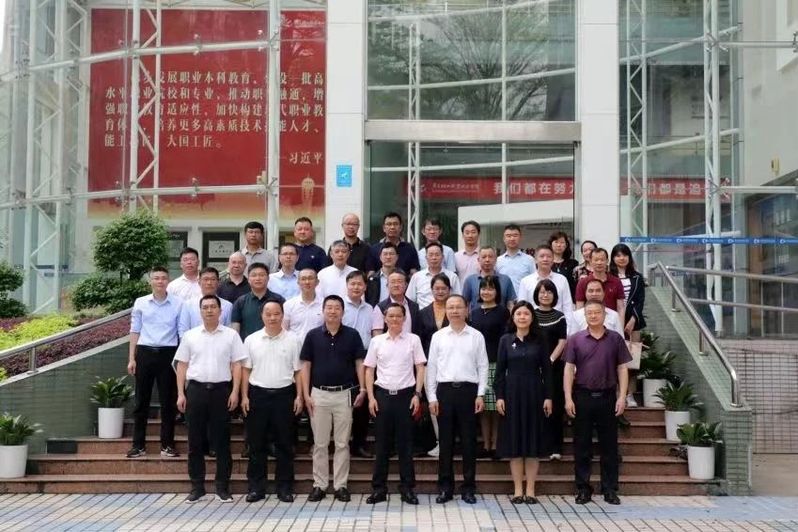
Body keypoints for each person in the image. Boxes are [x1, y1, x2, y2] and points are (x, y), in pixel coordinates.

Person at [174, 294, 247, 503]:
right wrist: (181, 393)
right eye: (205, 307)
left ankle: (222, 487)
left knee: (222, 441)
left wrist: (235, 391)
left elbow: (237, 364)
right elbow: (182, 365)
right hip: (196, 391)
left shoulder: (231, 335)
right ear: (200, 311)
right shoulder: (190, 335)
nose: (209, 310)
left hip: (221, 392)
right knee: (195, 441)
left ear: (220, 311)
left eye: (213, 307)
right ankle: (197, 487)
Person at [564, 300, 631, 505]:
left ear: (604, 315)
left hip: (608, 397)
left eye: (597, 313)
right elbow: (568, 369)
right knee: (582, 445)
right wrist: (568, 398)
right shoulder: (575, 339)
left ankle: (609, 489)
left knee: (609, 446)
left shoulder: (615, 339)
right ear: (585, 316)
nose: (593, 316)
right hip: (582, 397)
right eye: (589, 313)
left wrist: (622, 396)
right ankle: (583, 488)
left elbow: (622, 368)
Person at [300, 295, 367, 503]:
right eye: (329, 307)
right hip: (318, 394)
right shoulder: (312, 336)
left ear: (343, 312)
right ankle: (319, 485)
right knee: (320, 443)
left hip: (344, 395)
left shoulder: (352, 335)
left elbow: (359, 363)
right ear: (323, 311)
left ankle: (340, 486)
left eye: (337, 308)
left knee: (342, 443)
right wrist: (306, 394)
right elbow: (305, 365)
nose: (332, 311)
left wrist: (363, 388)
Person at [426, 295, 489, 505]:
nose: (454, 311)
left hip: (469, 392)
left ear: (466, 309)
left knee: (469, 442)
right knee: (445, 443)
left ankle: (468, 488)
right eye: (450, 307)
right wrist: (432, 397)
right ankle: (445, 488)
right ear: (446, 310)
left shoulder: (476, 336)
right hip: (445, 392)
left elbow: (483, 366)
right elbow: (431, 368)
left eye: (458, 307)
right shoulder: (438, 336)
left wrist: (481, 394)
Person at [241, 301, 304, 504]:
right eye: (268, 314)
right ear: (262, 316)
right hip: (257, 395)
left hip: (284, 395)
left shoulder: (293, 340)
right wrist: (244, 396)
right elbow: (246, 370)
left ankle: (284, 488)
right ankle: (256, 488)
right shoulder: (251, 340)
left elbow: (299, 371)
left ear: (282, 315)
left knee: (284, 443)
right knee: (256, 443)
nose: (272, 317)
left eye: (276, 313)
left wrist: (299, 396)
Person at [364, 303, 427, 505]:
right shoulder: (377, 341)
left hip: (406, 396)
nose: (394, 319)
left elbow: (420, 367)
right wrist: (371, 398)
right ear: (384, 318)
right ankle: (378, 489)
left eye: (398, 316)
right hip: (382, 396)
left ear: (404, 318)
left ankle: (407, 488)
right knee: (382, 445)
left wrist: (417, 394)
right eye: (390, 316)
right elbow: (369, 370)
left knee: (405, 445)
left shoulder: (413, 340)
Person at [494, 301, 553, 504]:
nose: (522, 317)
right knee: (515, 443)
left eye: (526, 314)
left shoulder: (540, 339)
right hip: (512, 395)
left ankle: (531, 490)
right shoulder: (505, 340)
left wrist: (548, 397)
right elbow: (499, 372)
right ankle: (518, 490)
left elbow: (547, 371)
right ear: (513, 317)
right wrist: (499, 396)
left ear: (531, 317)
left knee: (532, 443)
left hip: (535, 393)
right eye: (518, 313)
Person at [126, 266, 182, 459]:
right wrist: (132, 358)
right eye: (156, 278)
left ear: (168, 280)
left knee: (168, 402)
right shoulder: (141, 302)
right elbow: (135, 330)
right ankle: (138, 445)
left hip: (169, 354)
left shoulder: (178, 303)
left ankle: (167, 445)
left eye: (163, 278)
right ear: (150, 281)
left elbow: (181, 332)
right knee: (141, 401)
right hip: (145, 353)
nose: (160, 281)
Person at [469, 276, 510, 461]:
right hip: (477, 363)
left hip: (496, 362)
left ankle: (496, 445)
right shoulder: (474, 312)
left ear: (497, 291)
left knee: (496, 406)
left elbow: (506, 338)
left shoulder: (503, 312)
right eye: (483, 288)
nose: (486, 292)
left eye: (491, 288)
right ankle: (486, 445)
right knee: (484, 407)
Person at [416, 273, 452, 457]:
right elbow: (419, 340)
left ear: (449, 290)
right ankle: (440, 441)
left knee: (449, 403)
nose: (440, 291)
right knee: (433, 403)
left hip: (451, 364)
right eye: (436, 288)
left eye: (443, 288)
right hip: (429, 364)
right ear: (431, 290)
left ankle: (450, 441)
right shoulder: (423, 313)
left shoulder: (455, 310)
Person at [532, 279, 568, 460]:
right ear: (536, 295)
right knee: (536, 406)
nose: (545, 295)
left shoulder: (560, 316)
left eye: (549, 292)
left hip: (555, 368)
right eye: (541, 292)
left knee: (555, 406)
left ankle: (556, 447)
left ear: (554, 295)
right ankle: (538, 446)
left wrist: (550, 360)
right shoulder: (530, 315)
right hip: (533, 367)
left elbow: (563, 341)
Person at [342, 270, 375, 459]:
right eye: (352, 284)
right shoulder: (339, 306)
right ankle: (341, 443)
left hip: (365, 357)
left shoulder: (370, 309)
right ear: (347, 286)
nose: (356, 287)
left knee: (361, 403)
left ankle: (359, 444)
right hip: (343, 358)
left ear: (365, 287)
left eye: (359, 284)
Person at [610, 243, 646, 408]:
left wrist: (632, 320)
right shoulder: (609, 276)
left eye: (624, 255)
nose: (621, 258)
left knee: (632, 360)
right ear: (613, 258)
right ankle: (618, 392)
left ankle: (630, 394)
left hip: (633, 323)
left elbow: (640, 301)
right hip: (612, 322)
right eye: (618, 255)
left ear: (629, 257)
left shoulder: (637, 277)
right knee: (613, 359)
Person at [230, 263, 286, 341]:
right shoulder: (240, 302)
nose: (258, 278)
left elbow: (285, 324)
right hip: (248, 346)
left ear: (268, 278)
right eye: (254, 275)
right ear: (248, 279)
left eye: (262, 275)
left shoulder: (279, 300)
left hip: (275, 343)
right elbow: (235, 329)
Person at [518, 244, 574, 319]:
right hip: (534, 323)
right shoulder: (525, 281)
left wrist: (569, 325)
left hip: (558, 322)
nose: (545, 259)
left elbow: (568, 307)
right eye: (542, 256)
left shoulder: (562, 280)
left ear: (553, 260)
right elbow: (522, 307)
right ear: (535, 260)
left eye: (549, 256)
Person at [575, 248, 626, 325]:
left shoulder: (616, 282)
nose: (599, 263)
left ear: (607, 261)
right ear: (590, 261)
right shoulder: (583, 282)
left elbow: (620, 308)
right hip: (589, 324)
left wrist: (620, 328)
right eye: (596, 260)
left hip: (611, 323)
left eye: (602, 260)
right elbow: (579, 308)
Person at [178, 267, 232, 338]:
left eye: (213, 279)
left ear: (218, 282)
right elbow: (183, 331)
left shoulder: (227, 306)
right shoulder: (188, 305)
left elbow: (229, 331)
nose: (209, 283)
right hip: (194, 343)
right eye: (206, 279)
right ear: (199, 282)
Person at [406, 241, 461, 308]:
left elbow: (458, 299)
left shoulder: (452, 277)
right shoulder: (417, 277)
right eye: (431, 255)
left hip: (446, 312)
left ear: (442, 257)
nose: (434, 258)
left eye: (437, 255)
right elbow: (409, 300)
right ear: (426, 258)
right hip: (423, 313)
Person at [462, 246, 517, 310]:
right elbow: (466, 304)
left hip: (501, 316)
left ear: (495, 259)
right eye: (484, 257)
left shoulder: (505, 280)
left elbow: (510, 303)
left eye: (490, 257)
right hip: (476, 316)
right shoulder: (470, 280)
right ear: (478, 260)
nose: (487, 260)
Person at [371, 270, 420, 336]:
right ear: (387, 286)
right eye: (393, 282)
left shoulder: (414, 306)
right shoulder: (380, 307)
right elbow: (377, 333)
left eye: (399, 281)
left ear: (406, 285)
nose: (396, 285)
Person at [282, 269, 324, 339]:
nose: (307, 282)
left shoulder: (324, 304)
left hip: (318, 344)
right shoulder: (289, 305)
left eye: (310, 278)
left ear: (317, 282)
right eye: (303, 279)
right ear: (298, 282)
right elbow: (284, 330)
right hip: (294, 345)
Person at [496, 224, 537, 295]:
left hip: (524, 299)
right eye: (508, 236)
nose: (512, 238)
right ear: (504, 239)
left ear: (520, 238)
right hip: (504, 299)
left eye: (515, 235)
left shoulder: (529, 260)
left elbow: (534, 281)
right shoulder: (498, 261)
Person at [549, 231, 579, 300]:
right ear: (551, 244)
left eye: (562, 242)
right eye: (556, 242)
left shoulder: (573, 263)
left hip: (569, 299)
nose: (559, 245)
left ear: (566, 245)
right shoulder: (546, 263)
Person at [454, 220, 481, 285]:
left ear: (479, 234)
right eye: (467, 233)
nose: (470, 235)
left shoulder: (484, 256)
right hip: (461, 291)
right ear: (462, 235)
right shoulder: (456, 256)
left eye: (473, 232)